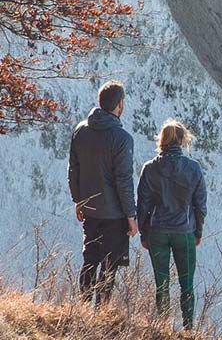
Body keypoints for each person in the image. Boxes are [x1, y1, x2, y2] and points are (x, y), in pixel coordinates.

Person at [68, 80, 138, 307]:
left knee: (89, 260)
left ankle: (82, 308)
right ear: (119, 105)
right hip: (114, 214)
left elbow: (74, 168)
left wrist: (78, 200)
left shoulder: (81, 131)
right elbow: (123, 180)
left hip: (90, 209)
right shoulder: (122, 138)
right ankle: (102, 313)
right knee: (110, 266)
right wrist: (131, 215)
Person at [137, 119, 207, 330]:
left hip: (157, 232)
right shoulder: (193, 168)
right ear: (182, 140)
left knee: (162, 285)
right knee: (187, 285)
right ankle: (188, 328)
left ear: (162, 140)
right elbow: (200, 205)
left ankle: (163, 327)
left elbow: (143, 204)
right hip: (184, 232)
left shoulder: (149, 168)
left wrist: (143, 233)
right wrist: (198, 231)